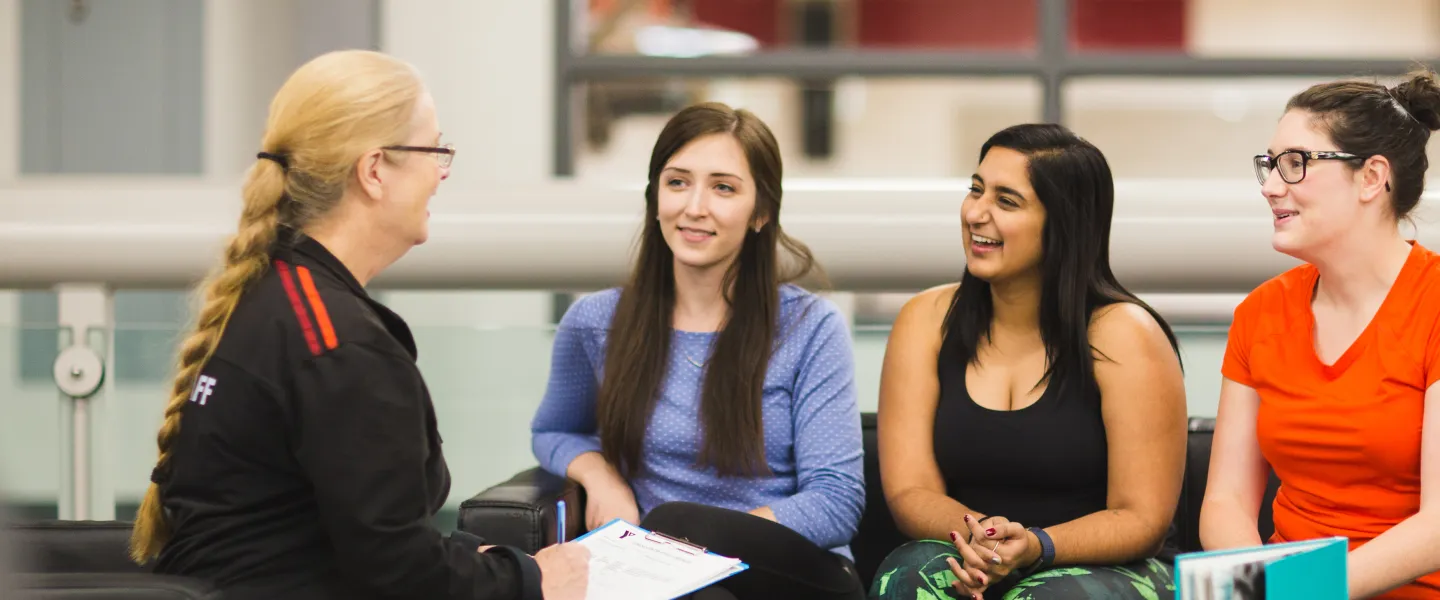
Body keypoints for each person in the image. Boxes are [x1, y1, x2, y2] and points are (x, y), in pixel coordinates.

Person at [128, 50, 588, 600]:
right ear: (373, 171)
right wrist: (535, 581)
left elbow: (341, 536)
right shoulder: (339, 347)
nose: (441, 173)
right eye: (435, 150)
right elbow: (401, 579)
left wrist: (469, 557)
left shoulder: (277, 297)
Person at [530, 102, 866, 600]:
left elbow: (836, 501)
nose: (694, 207)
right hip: (660, 580)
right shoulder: (596, 322)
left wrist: (689, 545)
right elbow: (554, 430)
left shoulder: (810, 327)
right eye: (678, 182)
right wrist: (602, 479)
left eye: (723, 187)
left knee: (675, 526)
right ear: (655, 197)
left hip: (790, 573)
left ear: (761, 212)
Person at [868, 123, 1188, 600]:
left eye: (1006, 201)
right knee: (908, 574)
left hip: (1111, 565)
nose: (976, 213)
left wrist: (1038, 545)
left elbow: (1140, 518)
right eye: (976, 190)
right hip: (975, 548)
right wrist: (984, 538)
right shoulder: (925, 320)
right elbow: (910, 490)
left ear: (1063, 223)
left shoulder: (1125, 334)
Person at [1199, 69, 1440, 599]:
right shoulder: (1260, 312)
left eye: (1295, 163)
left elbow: (1437, 527)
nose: (1270, 186)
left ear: (1372, 178)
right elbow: (1227, 503)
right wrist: (1253, 587)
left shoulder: (1434, 304)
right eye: (1269, 164)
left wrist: (1297, 589)